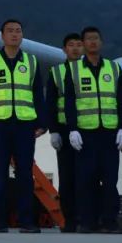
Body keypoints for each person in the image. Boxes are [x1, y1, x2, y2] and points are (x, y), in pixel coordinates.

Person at [0, 18, 49, 233]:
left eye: (18, 31)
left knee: (25, 174)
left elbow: (38, 95)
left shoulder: (32, 62)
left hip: (25, 125)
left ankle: (27, 221)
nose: (15, 34)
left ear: (22, 36)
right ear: (2, 36)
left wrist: (42, 123)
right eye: (10, 31)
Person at [65, 27, 122, 232]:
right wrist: (72, 129)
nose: (93, 42)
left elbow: (121, 101)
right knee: (86, 180)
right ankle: (88, 222)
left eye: (96, 39)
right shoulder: (73, 70)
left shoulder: (113, 68)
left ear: (102, 42)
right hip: (85, 133)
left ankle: (109, 221)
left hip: (109, 133)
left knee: (110, 180)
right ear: (83, 44)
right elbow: (69, 103)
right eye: (88, 39)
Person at [46, 33, 83, 232]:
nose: (76, 48)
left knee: (87, 177)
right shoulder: (57, 72)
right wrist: (53, 131)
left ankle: (87, 218)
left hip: (88, 129)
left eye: (79, 45)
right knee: (67, 177)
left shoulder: (92, 71)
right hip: (64, 130)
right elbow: (50, 102)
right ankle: (69, 220)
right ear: (64, 50)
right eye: (71, 45)